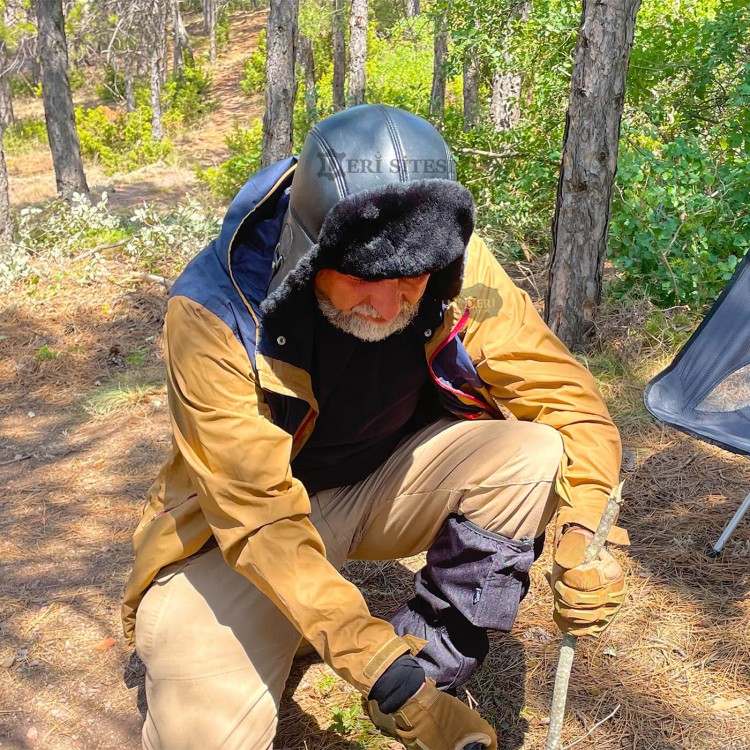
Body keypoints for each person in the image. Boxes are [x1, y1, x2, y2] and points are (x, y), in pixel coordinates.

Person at [122, 104, 628, 750]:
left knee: (533, 452)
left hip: (378, 487)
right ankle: (386, 676)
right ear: (308, 253)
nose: (386, 305)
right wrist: (381, 671)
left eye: (409, 277)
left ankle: (432, 669)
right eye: (360, 277)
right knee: (204, 738)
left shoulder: (450, 261)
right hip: (244, 533)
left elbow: (566, 398)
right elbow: (260, 521)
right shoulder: (215, 312)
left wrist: (585, 528)